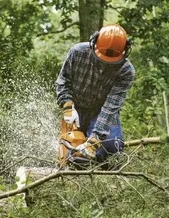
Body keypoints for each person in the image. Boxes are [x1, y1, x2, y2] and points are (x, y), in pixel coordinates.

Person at [55, 24, 135, 163]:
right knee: (70, 148)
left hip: (101, 112)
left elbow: (110, 107)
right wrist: (68, 107)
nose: (105, 64)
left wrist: (94, 141)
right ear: (94, 43)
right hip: (76, 108)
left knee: (112, 146)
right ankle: (71, 165)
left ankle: (98, 167)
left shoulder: (125, 71)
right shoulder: (78, 52)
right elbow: (63, 81)